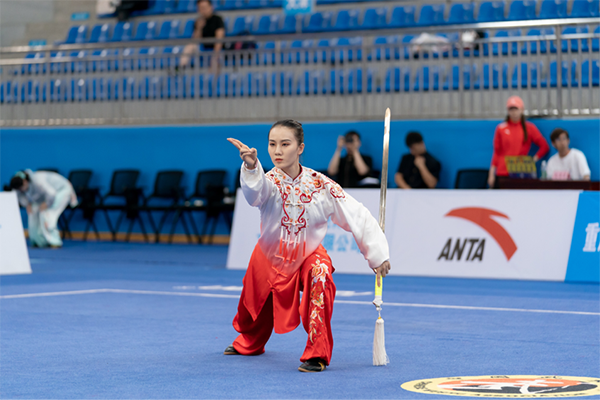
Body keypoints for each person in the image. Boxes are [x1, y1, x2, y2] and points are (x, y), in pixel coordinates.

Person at [225, 120, 391, 372]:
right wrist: (251, 166)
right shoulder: (268, 182)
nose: (277, 151)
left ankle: (317, 353)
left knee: (320, 274)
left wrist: (377, 253)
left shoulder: (321, 185)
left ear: (300, 147)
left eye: (285, 144)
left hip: (307, 255)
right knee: (253, 305)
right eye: (272, 144)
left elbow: (356, 214)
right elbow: (253, 193)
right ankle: (249, 341)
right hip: (269, 255)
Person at [488, 96, 550, 188]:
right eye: (511, 109)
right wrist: (491, 173)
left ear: (522, 110)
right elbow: (497, 152)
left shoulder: (530, 128)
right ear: (508, 111)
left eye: (516, 109)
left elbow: (544, 146)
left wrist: (532, 160)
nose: (514, 112)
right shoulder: (500, 128)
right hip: (502, 172)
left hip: (520, 172)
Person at [9, 169, 78, 248]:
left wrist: (46, 204)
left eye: (21, 188)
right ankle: (38, 241)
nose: (21, 190)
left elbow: (51, 194)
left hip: (61, 190)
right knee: (33, 211)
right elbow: (20, 196)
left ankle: (54, 241)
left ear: (25, 182)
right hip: (46, 196)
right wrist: (27, 204)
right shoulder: (17, 185)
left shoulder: (38, 181)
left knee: (47, 213)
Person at [181, 0, 225, 73]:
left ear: (211, 7)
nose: (203, 10)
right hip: (203, 49)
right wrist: (198, 28)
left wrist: (214, 57)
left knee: (215, 64)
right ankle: (182, 67)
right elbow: (195, 40)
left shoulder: (217, 20)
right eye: (200, 8)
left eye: (204, 7)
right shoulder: (198, 21)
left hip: (216, 50)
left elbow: (219, 40)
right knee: (190, 46)